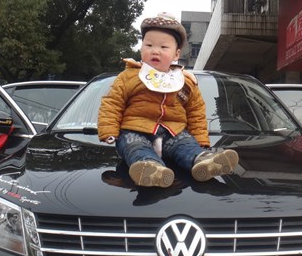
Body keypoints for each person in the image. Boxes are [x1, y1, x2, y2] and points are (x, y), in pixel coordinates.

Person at [98, 12, 238, 188]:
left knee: (187, 145)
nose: (155, 50)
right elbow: (112, 103)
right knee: (135, 148)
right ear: (141, 48)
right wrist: (108, 131)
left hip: (174, 132)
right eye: (149, 45)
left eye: (164, 47)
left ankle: (203, 161)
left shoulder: (185, 82)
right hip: (135, 130)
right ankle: (151, 169)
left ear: (176, 54)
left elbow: (196, 111)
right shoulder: (128, 76)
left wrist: (201, 140)